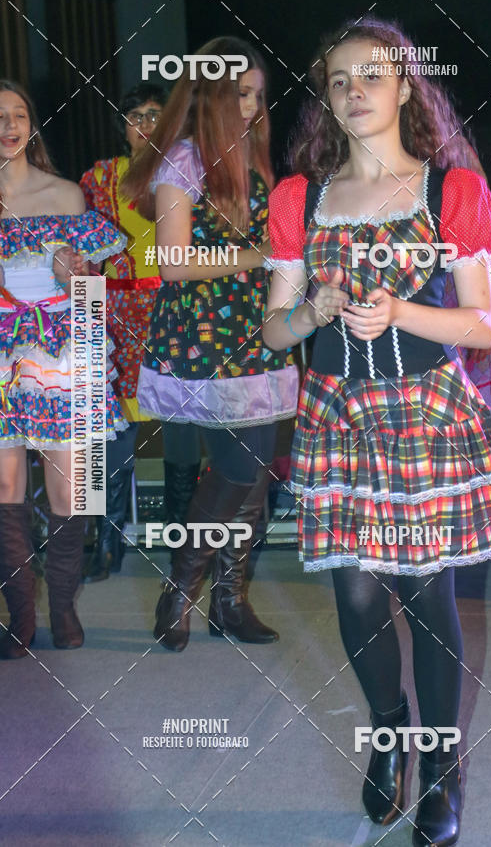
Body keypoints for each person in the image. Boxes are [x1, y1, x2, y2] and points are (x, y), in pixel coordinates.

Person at [263, 19, 491, 846]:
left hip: (425, 412)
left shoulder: (451, 191)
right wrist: (309, 310)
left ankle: (442, 765)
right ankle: (388, 735)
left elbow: (489, 327)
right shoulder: (298, 199)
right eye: (340, 80)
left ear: (405, 89)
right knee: (354, 596)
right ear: (326, 95)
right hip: (339, 415)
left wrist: (400, 311)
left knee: (426, 596)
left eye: (372, 77)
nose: (355, 92)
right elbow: (275, 333)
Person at [122, 37, 299, 649]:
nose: (252, 107)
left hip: (257, 324)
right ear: (210, 94)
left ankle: (227, 599)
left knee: (250, 474)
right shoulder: (185, 157)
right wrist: (261, 255)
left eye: (258, 96)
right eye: (240, 94)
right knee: (237, 466)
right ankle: (181, 591)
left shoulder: (257, 158)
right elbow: (171, 262)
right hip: (204, 327)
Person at [0, 80, 127, 659]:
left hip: (62, 351)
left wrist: (74, 275)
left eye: (18, 115)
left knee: (72, 486)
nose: (8, 125)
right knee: (4, 485)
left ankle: (64, 605)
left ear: (31, 125)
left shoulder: (65, 194)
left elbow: (91, 293)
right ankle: (22, 613)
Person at [79, 82, 168, 581]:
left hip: (171, 308)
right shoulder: (99, 177)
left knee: (184, 422)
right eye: (136, 116)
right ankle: (106, 540)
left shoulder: (184, 175)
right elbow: (77, 241)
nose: (146, 125)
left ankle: (190, 540)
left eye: (156, 115)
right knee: (104, 431)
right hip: (107, 308)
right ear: (123, 125)